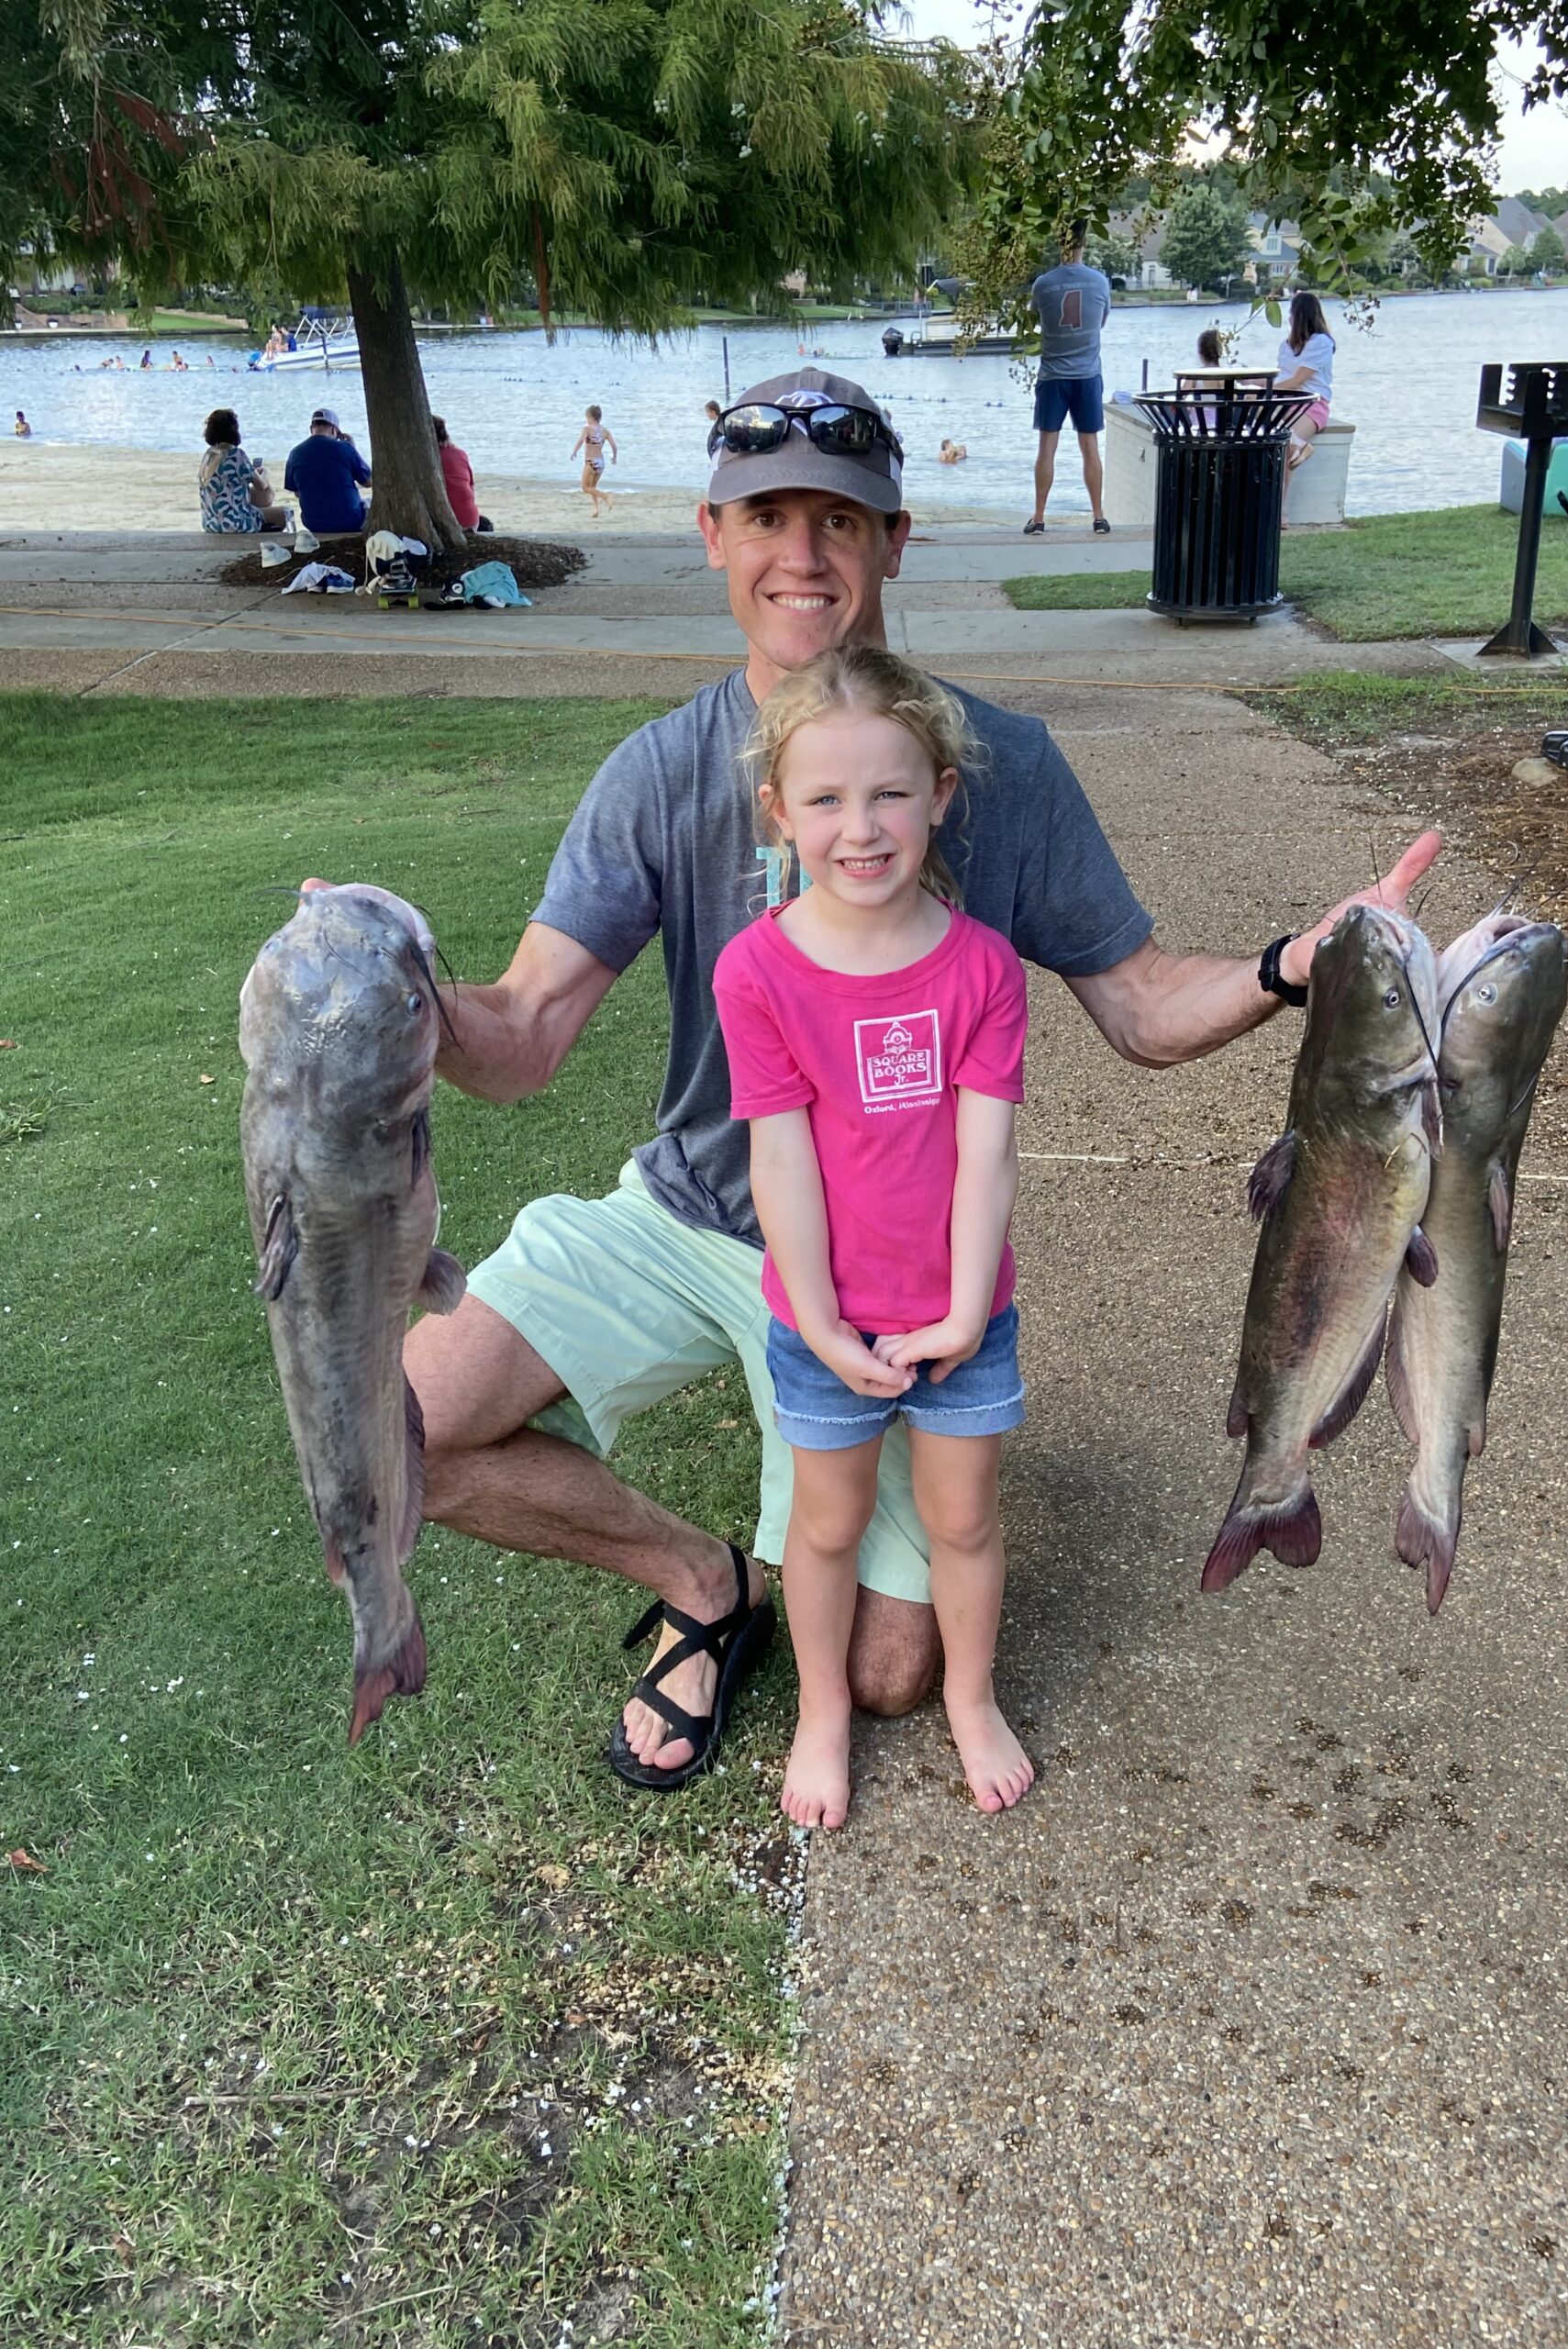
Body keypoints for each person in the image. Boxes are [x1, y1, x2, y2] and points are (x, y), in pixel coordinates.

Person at [368, 363, 1435, 1798]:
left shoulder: (1004, 768)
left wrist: (1292, 964)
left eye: (839, 522)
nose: (801, 556)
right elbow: (523, 1034)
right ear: (712, 536)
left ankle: (842, 1498)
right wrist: (391, 997)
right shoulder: (661, 772)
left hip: (895, 1264)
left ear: (892, 544)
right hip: (687, 1215)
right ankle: (704, 1582)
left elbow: (1138, 1005)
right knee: (394, 1435)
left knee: (887, 1680)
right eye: (768, 519)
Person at [714, 646, 1035, 1831]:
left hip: (963, 1315)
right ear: (780, 814)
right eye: (829, 799)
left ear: (942, 794)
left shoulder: (985, 971)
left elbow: (988, 1152)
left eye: (892, 792)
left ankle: (971, 1697)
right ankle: (821, 1714)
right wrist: (828, 1321)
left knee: (964, 1518)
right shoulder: (755, 973)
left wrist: (960, 1313)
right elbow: (781, 1158)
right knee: (828, 1525)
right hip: (824, 1324)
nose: (864, 826)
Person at [1023, 218, 1111, 535]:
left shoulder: (1043, 284)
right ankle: (1098, 516)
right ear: (1083, 244)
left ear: (1059, 245)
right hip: (1087, 375)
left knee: (1047, 446)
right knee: (1090, 446)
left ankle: (1039, 516)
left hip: (1053, 376)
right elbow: (1100, 322)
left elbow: (1039, 320)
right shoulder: (1099, 282)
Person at [1273, 291, 1336, 475]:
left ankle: (1281, 504)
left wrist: (1268, 391)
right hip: (1286, 401)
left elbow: (1299, 379)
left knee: (1285, 450)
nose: (1290, 318)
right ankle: (1301, 445)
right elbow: (1283, 377)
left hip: (1311, 403)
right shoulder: (1286, 346)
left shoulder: (1321, 342)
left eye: (1292, 313)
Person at [197, 407, 289, 533]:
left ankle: (260, 524)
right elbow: (261, 485)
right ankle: (257, 528)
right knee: (285, 513)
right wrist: (264, 472)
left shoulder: (209, 454)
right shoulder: (236, 454)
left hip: (211, 521)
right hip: (233, 523)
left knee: (266, 494)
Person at [284, 405, 372, 534]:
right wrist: (352, 447)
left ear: (311, 429)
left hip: (313, 523)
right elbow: (368, 482)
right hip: (352, 520)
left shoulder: (295, 453)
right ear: (334, 430)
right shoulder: (345, 448)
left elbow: (297, 493)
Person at [433, 416, 493, 532]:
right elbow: (471, 489)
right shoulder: (460, 454)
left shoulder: (427, 459)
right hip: (471, 519)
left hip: (449, 523)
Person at [572, 405, 617, 516]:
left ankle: (606, 496)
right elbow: (614, 446)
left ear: (591, 418)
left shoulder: (586, 429)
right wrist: (614, 457)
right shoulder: (605, 431)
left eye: (587, 418)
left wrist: (574, 451)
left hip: (591, 461)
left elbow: (581, 441)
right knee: (592, 488)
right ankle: (596, 509)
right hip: (600, 463)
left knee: (585, 487)